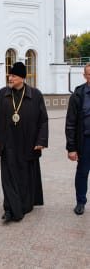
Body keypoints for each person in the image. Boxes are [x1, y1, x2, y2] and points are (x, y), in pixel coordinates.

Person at [0, 62, 48, 222]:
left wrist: (41, 140)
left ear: (22, 78)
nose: (10, 78)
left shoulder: (35, 95)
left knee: (24, 176)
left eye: (14, 76)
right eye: (10, 75)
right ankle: (11, 209)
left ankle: (24, 204)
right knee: (8, 176)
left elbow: (43, 120)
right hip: (8, 143)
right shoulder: (3, 93)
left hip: (27, 143)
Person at [66, 63, 90, 215]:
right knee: (82, 172)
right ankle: (80, 202)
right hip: (86, 141)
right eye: (89, 74)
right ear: (84, 76)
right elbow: (70, 123)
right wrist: (71, 148)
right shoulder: (78, 95)